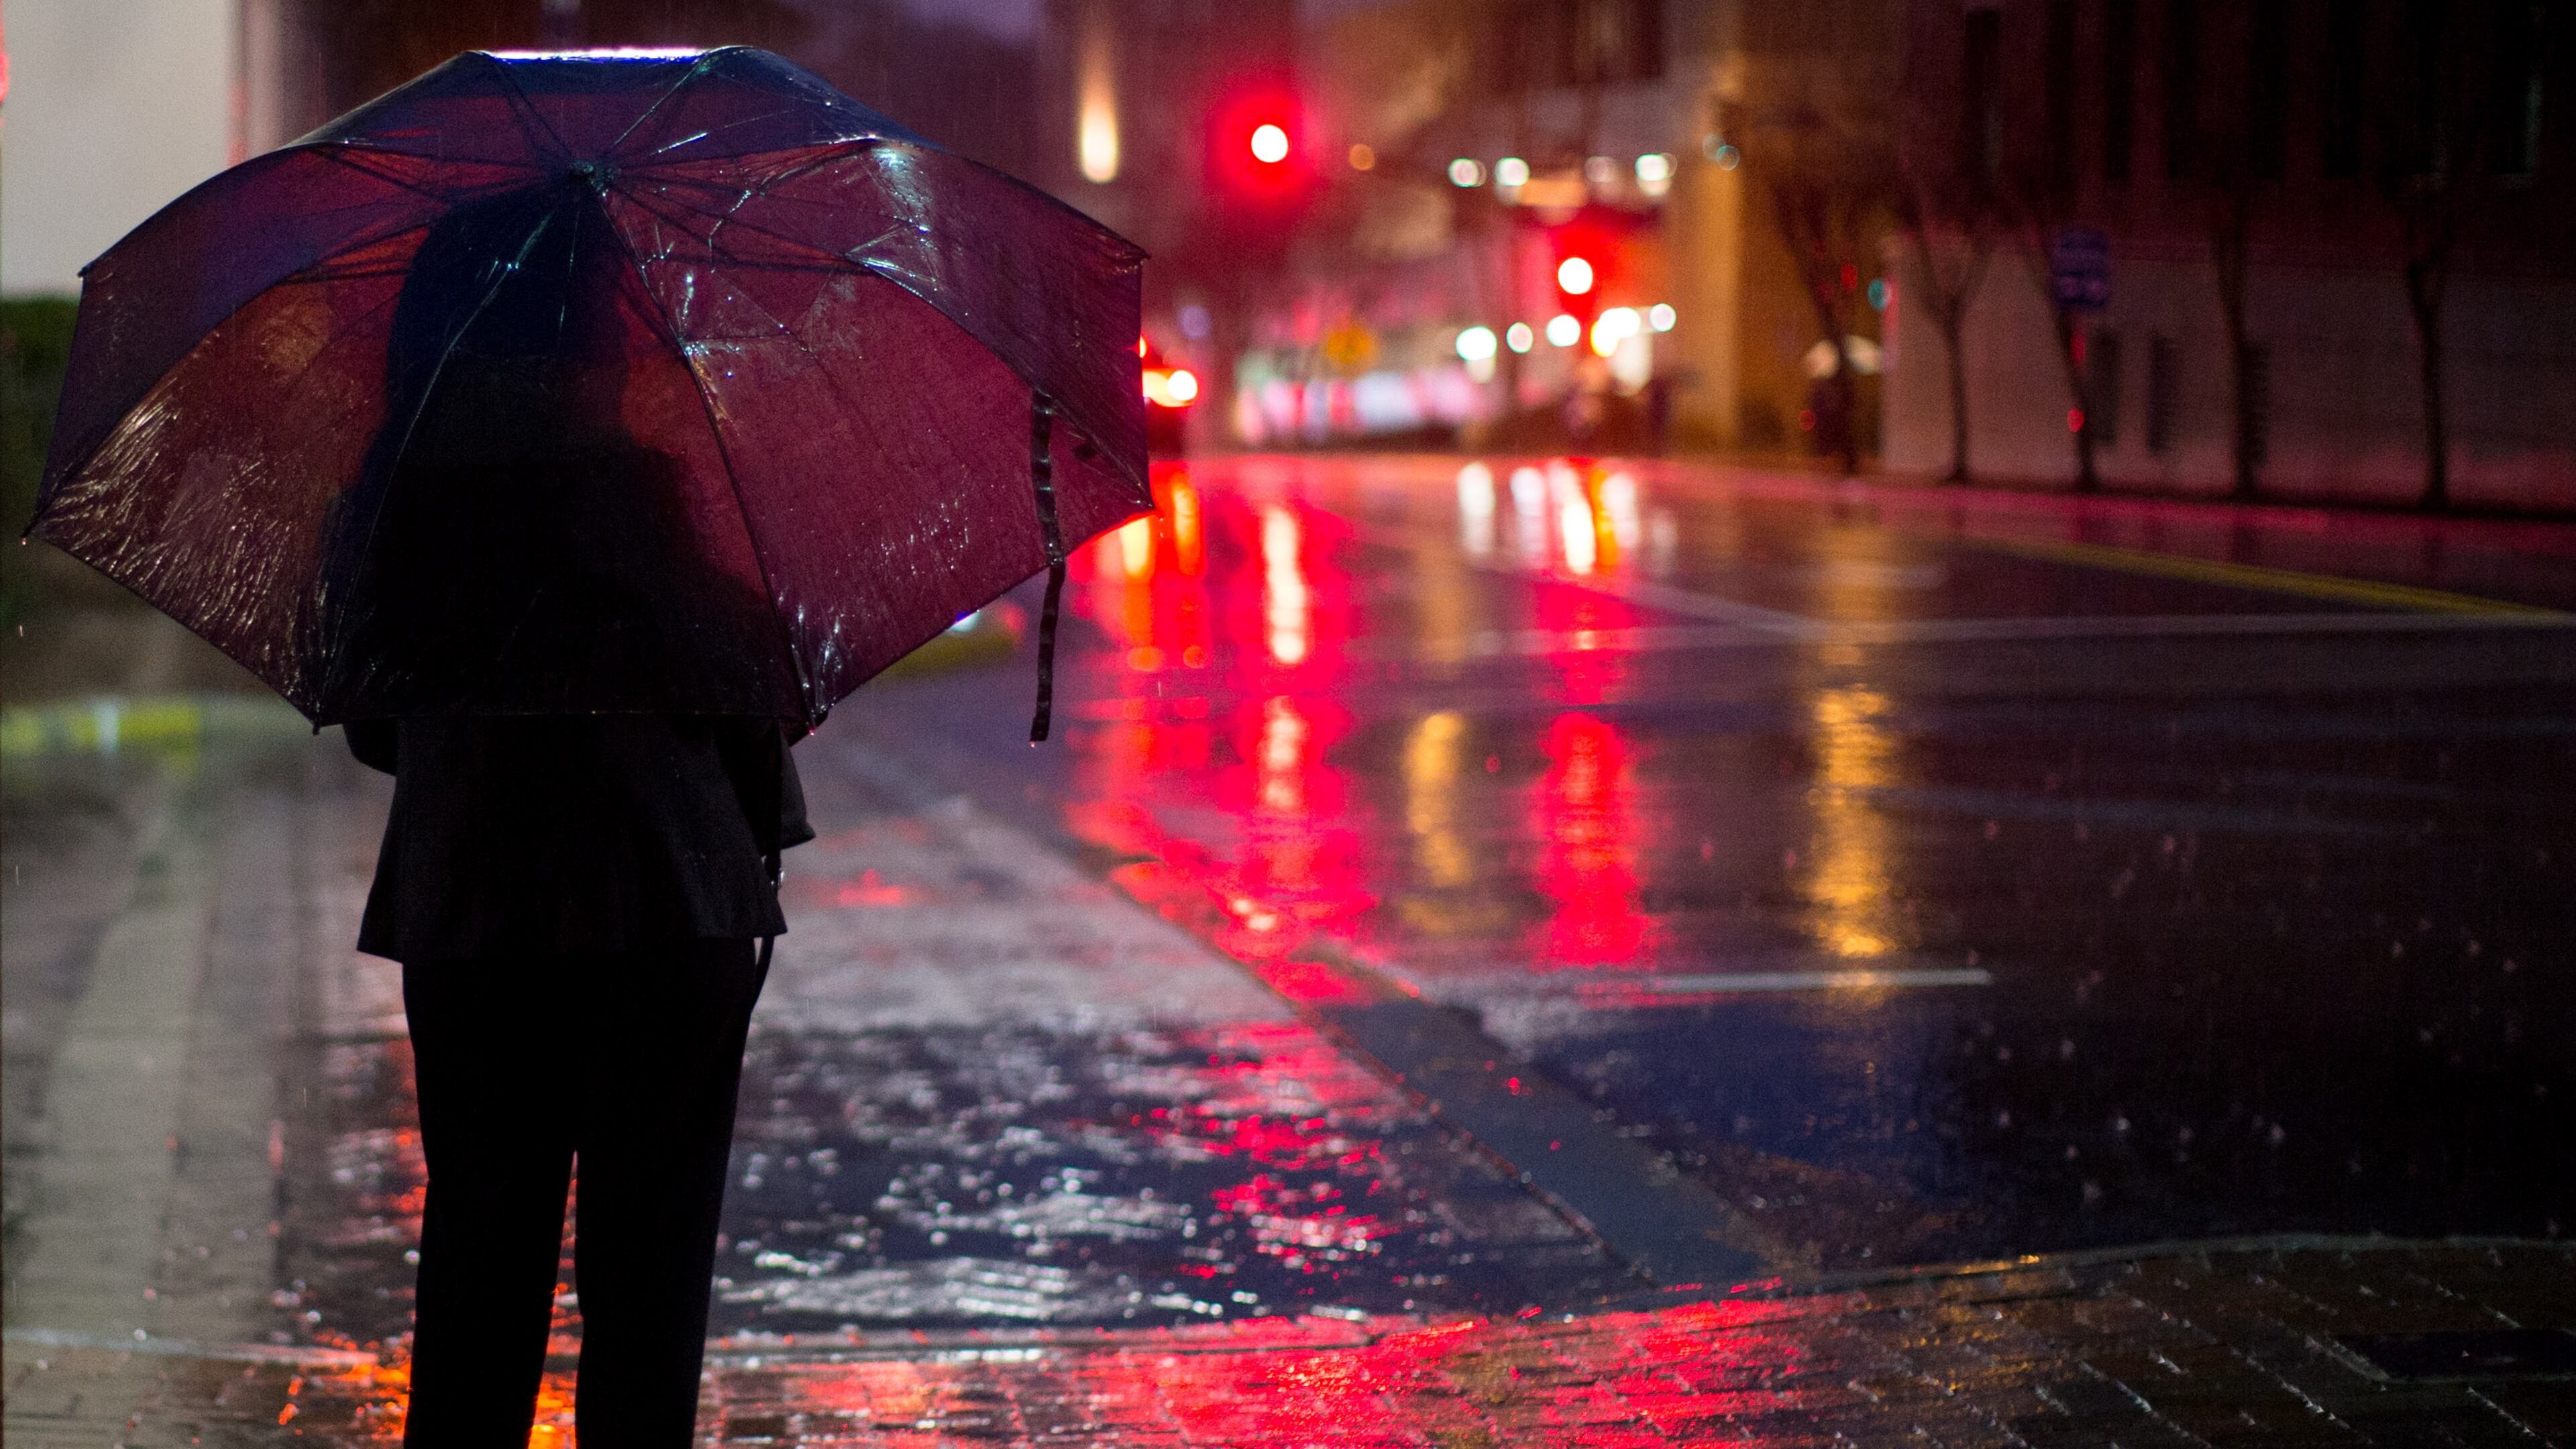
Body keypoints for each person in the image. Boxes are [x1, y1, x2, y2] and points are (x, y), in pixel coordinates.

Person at [337, 180, 817, 1445]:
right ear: (582, 333)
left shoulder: (398, 505)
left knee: (480, 1267)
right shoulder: (640, 492)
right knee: (648, 1289)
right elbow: (734, 680)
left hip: (474, 915)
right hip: (666, 910)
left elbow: (375, 723)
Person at [347, 714, 811, 1444]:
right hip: (672, 886)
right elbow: (756, 698)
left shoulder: (437, 592)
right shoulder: (705, 591)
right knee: (652, 1270)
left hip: (475, 890)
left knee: (480, 1257)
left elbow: (374, 722)